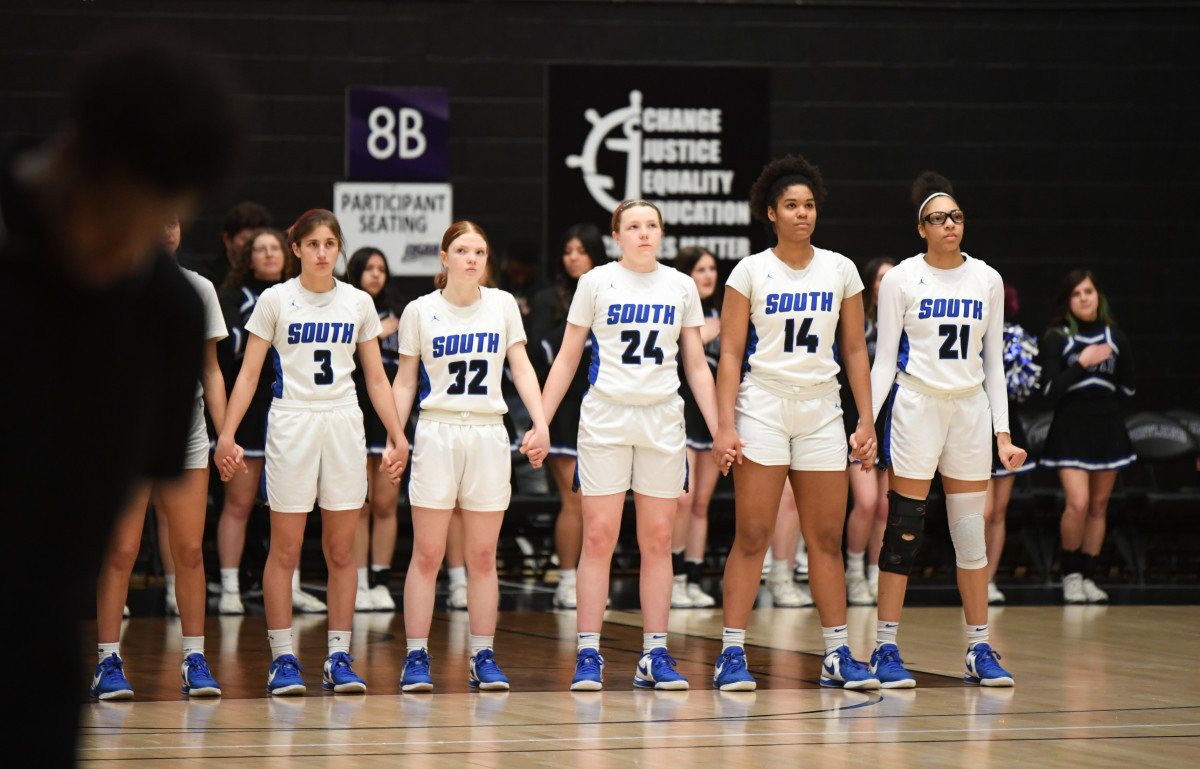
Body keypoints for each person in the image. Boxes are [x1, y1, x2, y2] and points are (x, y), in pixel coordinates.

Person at [4, 33, 245, 763]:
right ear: (72, 156)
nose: (122, 252)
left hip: (31, 651)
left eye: (152, 226)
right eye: (111, 222)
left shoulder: (167, 308)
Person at [215, 209, 407, 696]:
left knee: (342, 549)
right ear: (295, 248)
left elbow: (376, 378)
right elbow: (250, 374)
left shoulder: (359, 302)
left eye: (331, 243)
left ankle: (338, 657)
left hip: (344, 421)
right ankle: (283, 660)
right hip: (292, 420)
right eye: (313, 244)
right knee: (286, 547)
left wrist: (396, 433)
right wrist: (227, 433)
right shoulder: (275, 300)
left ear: (339, 248)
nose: (323, 252)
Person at [541, 199, 729, 692]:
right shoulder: (596, 282)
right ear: (617, 235)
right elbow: (564, 360)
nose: (644, 233)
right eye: (633, 226)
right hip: (605, 417)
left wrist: (719, 429)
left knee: (659, 541)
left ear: (660, 234)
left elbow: (695, 366)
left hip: (662, 419)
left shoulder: (680, 285)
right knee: (599, 536)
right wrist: (540, 421)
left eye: (651, 226)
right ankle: (588, 652)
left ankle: (653, 654)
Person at [710, 155, 878, 692]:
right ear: (771, 213)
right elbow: (731, 354)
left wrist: (866, 418)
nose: (802, 214)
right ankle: (731, 653)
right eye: (791, 206)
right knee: (753, 534)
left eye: (808, 206)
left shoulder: (841, 269)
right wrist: (724, 424)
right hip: (762, 406)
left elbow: (854, 349)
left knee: (825, 538)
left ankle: (836, 653)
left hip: (822, 410)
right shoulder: (749, 271)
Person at [867, 171, 1025, 689]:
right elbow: (884, 359)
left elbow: (995, 363)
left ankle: (979, 647)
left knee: (969, 534)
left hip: (969, 411)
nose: (949, 225)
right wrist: (866, 421)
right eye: (938, 218)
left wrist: (1002, 432)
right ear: (921, 229)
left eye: (955, 216)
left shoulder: (987, 279)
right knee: (902, 532)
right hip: (917, 406)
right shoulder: (901, 280)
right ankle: (885, 646)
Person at [391, 221, 549, 692]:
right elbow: (403, 380)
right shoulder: (419, 310)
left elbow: (521, 367)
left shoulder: (501, 304)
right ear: (444, 258)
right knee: (428, 553)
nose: (471, 259)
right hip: (437, 430)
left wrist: (539, 423)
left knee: (482, 554)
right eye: (462, 250)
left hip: (486, 432)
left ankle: (483, 654)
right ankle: (415, 657)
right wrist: (395, 435)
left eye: (479, 251)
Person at [92, 214, 230, 700]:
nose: (163, 227)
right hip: (126, 434)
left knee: (189, 550)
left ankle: (195, 658)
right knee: (122, 550)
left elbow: (211, 372)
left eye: (170, 220)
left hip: (186, 429)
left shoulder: (198, 289)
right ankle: (108, 660)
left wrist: (226, 433)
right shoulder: (110, 280)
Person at [214, 228, 326, 614]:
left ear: (287, 254)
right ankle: (229, 588)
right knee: (240, 503)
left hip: (294, 408)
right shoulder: (233, 298)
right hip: (250, 406)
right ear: (248, 257)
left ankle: (291, 584)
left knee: (293, 505)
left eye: (274, 248)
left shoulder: (305, 295)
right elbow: (231, 351)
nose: (268, 255)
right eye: (260, 250)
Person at [1038, 270, 1135, 604]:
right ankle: (1071, 574)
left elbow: (1129, 386)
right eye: (1076, 293)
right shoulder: (1056, 336)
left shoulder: (1116, 337)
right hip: (1070, 428)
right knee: (1077, 503)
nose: (1083, 298)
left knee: (1098, 505)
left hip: (1107, 428)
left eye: (1089, 291)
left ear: (1099, 296)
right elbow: (1049, 389)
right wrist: (1082, 363)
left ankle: (1090, 575)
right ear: (1068, 300)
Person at [529, 223, 608, 609]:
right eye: (568, 251)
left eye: (581, 250)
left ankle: (592, 580)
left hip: (606, 408)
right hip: (564, 410)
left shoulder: (613, 291)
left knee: (600, 502)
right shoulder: (549, 299)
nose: (573, 257)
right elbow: (540, 355)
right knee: (573, 499)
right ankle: (565, 579)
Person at [346, 246, 404, 612]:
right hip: (353, 409)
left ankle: (380, 580)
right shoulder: (345, 306)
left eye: (381, 269)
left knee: (385, 503)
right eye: (368, 268)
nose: (375, 275)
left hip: (388, 413)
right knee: (359, 504)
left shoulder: (400, 313)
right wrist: (376, 335)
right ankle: (359, 580)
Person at [667, 247, 722, 609]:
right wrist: (703, 335)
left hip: (711, 413)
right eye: (699, 269)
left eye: (712, 269)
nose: (707, 276)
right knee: (682, 499)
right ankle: (670, 579)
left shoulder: (723, 314)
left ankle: (693, 579)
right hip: (679, 410)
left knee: (701, 502)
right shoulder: (675, 310)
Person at [843, 256, 898, 606]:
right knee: (864, 503)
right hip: (860, 419)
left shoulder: (904, 324)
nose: (886, 284)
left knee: (885, 507)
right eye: (880, 278)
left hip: (893, 423)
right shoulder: (857, 323)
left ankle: (876, 572)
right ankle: (853, 571)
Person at [984, 283, 1041, 604]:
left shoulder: (1017, 337)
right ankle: (972, 575)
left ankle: (989, 579)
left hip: (1007, 426)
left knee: (998, 513)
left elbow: (1023, 386)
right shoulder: (971, 333)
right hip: (973, 426)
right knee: (981, 510)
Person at [179, 200, 271, 288]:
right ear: (227, 239)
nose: (254, 246)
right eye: (246, 240)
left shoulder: (273, 275)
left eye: (259, 240)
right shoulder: (208, 277)